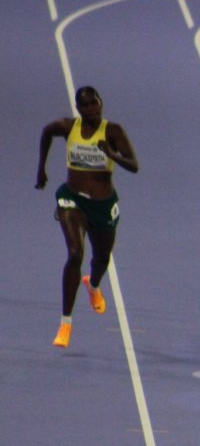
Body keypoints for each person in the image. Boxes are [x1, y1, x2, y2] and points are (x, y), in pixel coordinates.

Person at [36, 86, 140, 348]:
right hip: (73, 199)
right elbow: (46, 132)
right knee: (75, 254)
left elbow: (134, 165)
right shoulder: (67, 127)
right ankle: (65, 324)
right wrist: (41, 169)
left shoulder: (113, 131)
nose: (92, 109)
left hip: (103, 206)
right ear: (79, 109)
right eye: (86, 106)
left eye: (95, 104)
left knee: (102, 258)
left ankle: (93, 285)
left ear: (100, 103)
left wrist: (112, 154)